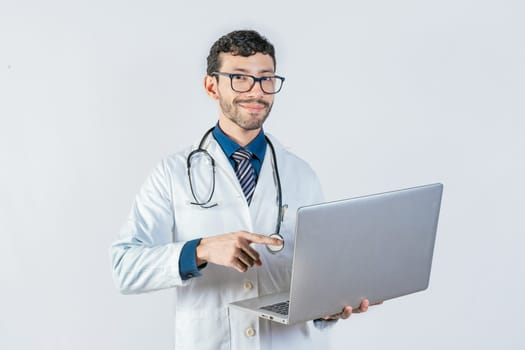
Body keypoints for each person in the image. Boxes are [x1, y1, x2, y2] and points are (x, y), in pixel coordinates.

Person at [111, 29, 374, 350]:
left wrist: (330, 308)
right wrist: (201, 250)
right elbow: (125, 268)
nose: (256, 91)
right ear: (212, 86)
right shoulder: (172, 173)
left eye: (266, 79)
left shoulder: (301, 174)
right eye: (240, 78)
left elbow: (317, 275)